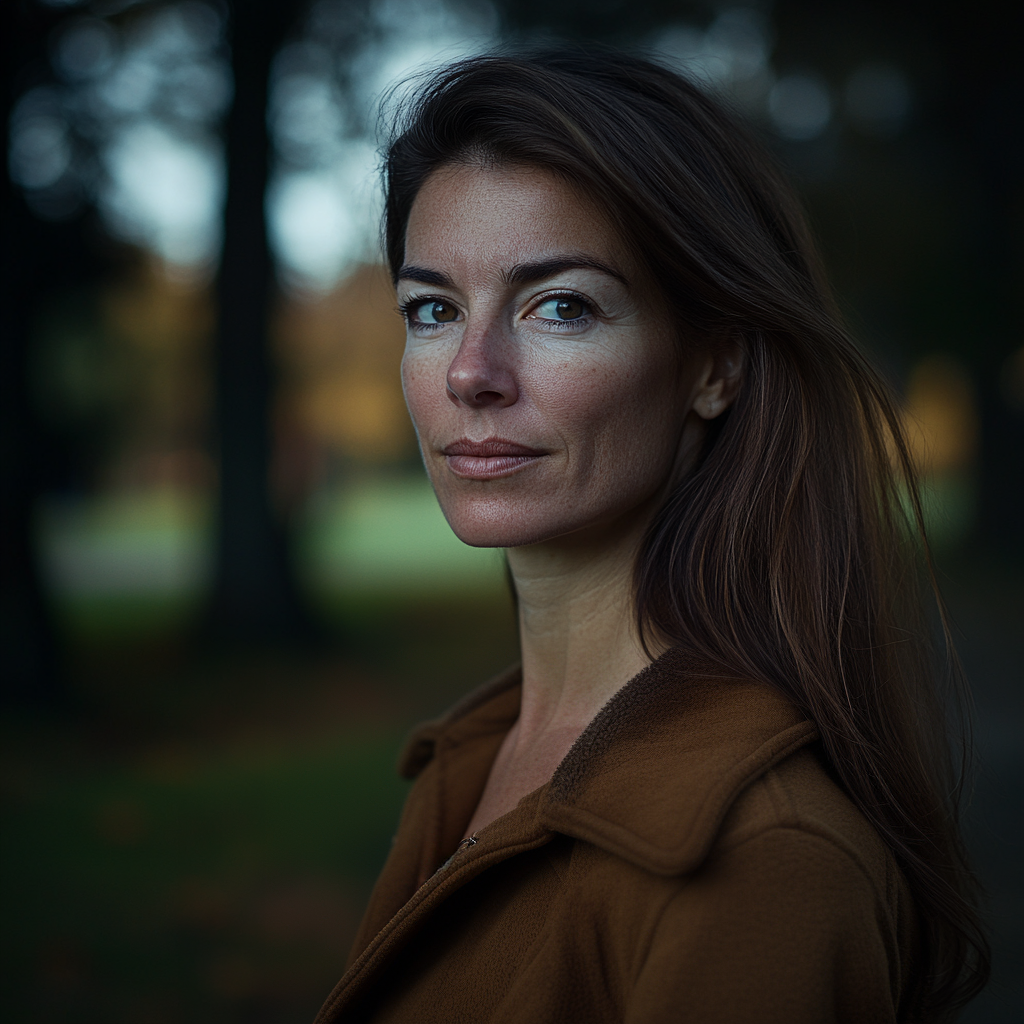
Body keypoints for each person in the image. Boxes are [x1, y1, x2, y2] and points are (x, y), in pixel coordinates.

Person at [315, 49, 988, 1023]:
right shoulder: (467, 763)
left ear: (712, 364)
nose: (471, 372)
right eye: (433, 309)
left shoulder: (766, 856)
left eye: (560, 306)